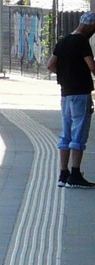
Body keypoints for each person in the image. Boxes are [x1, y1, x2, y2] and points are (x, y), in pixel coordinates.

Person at [47, 11, 95, 187]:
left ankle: (63, 175)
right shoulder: (82, 42)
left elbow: (50, 65)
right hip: (80, 93)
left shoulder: (64, 40)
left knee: (66, 133)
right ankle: (75, 174)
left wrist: (67, 75)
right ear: (90, 26)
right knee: (79, 133)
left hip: (65, 93)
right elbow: (91, 65)